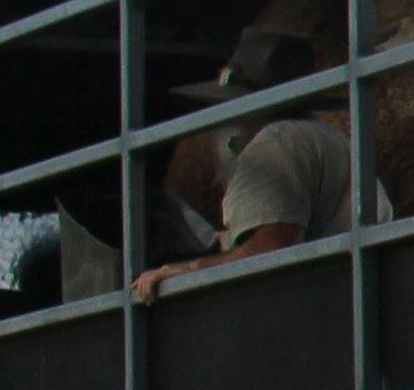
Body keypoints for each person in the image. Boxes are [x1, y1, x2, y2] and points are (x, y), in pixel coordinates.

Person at [131, 27, 364, 298]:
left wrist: (188, 270)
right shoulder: (328, 137)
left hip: (307, 306)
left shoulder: (276, 142)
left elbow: (273, 248)